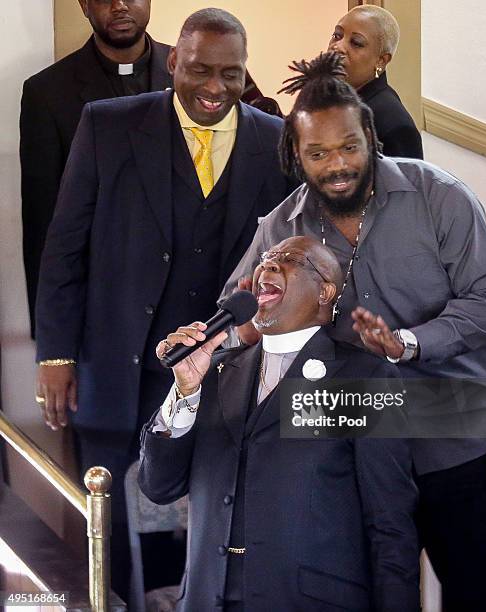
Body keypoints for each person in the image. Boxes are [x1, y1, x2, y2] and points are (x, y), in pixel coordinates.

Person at [221, 53, 486, 611]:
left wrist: (411, 341)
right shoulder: (280, 230)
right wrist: (210, 342)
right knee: (373, 593)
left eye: (348, 147)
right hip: (352, 440)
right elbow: (241, 314)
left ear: (370, 136)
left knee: (482, 592)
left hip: (462, 425)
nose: (335, 164)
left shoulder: (439, 195)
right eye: (317, 153)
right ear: (296, 154)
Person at [34, 8, 296, 600]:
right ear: (172, 61)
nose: (213, 88)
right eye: (200, 70)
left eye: (230, 75)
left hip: (224, 371)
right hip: (116, 368)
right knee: (115, 522)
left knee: (208, 515)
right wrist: (55, 354)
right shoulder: (106, 124)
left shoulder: (273, 140)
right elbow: (64, 248)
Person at [139, 235, 420, 611]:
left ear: (325, 292)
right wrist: (185, 391)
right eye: (266, 259)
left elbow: (390, 523)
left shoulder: (362, 379)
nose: (268, 266)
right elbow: (158, 486)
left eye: (290, 260)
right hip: (208, 599)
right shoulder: (215, 371)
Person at [20, 0, 280, 335]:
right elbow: (46, 229)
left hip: (218, 315)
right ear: (84, 5)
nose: (120, 6)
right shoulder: (49, 92)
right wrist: (51, 341)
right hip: (114, 314)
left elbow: (260, 144)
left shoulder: (206, 59)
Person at [327, 4, 423, 159]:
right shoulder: (325, 102)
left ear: (381, 60)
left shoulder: (394, 125)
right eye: (337, 36)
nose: (337, 46)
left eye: (356, 43)